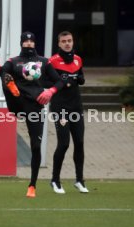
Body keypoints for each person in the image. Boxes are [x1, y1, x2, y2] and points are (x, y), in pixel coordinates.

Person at [0, 31, 63, 198]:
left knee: (36, 147)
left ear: (35, 43)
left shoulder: (44, 62)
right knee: (6, 79)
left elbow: (60, 80)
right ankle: (12, 89)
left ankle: (32, 186)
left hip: (35, 106)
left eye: (31, 41)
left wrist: (50, 91)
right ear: (21, 43)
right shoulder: (13, 61)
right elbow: (2, 72)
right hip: (17, 101)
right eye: (25, 41)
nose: (28, 43)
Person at [48, 31, 89, 194]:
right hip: (60, 107)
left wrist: (78, 79)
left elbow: (80, 77)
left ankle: (79, 180)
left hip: (76, 107)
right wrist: (63, 81)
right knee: (64, 144)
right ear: (59, 44)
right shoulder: (52, 61)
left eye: (69, 41)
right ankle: (55, 180)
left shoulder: (78, 59)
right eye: (63, 41)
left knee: (79, 143)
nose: (67, 43)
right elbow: (46, 81)